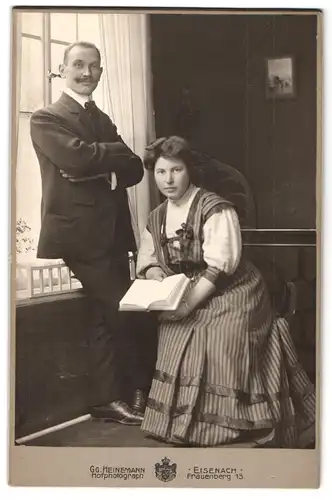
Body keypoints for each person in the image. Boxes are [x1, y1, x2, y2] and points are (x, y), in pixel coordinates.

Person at [136, 135, 316, 447]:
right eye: (161, 172)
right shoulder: (156, 217)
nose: (168, 180)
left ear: (189, 170)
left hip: (234, 289)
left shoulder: (216, 209)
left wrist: (186, 305)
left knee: (217, 332)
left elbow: (219, 269)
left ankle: (231, 422)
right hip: (185, 289)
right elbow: (149, 261)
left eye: (176, 170)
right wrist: (160, 283)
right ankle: (179, 420)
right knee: (173, 328)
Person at [30, 41, 149, 425]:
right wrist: (106, 158)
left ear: (101, 72)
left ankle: (110, 398)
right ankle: (137, 391)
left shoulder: (100, 116)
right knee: (120, 309)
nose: (86, 73)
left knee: (105, 314)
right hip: (79, 235)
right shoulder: (46, 118)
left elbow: (135, 168)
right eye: (78, 65)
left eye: (94, 66)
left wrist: (101, 167)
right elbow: (75, 158)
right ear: (62, 70)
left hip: (112, 233)